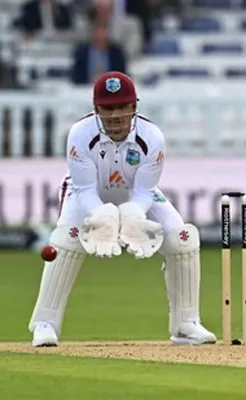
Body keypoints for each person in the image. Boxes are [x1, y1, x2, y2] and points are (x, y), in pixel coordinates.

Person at [29, 71, 216, 347]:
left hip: (135, 195)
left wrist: (132, 214)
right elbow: (83, 190)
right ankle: (45, 324)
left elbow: (144, 191)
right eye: (108, 108)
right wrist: (103, 215)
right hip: (87, 194)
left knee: (182, 239)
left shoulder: (152, 138)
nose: (116, 116)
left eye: (122, 107)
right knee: (66, 239)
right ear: (96, 109)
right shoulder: (80, 134)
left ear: (134, 106)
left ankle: (186, 324)